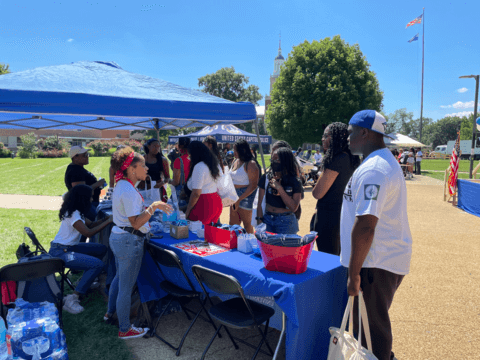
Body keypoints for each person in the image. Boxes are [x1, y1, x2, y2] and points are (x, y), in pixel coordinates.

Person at [341, 110, 412, 360]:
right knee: (366, 329)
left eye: (351, 132)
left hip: (375, 262)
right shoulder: (376, 162)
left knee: (373, 331)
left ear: (364, 132)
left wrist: (353, 273)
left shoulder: (376, 169)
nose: (347, 138)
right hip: (374, 260)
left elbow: (366, 226)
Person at [105, 146, 173, 340]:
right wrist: (153, 206)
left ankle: (110, 313)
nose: (147, 169)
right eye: (143, 166)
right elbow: (136, 223)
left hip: (119, 237)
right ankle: (125, 329)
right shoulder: (127, 190)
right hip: (128, 240)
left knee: (119, 279)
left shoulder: (122, 185)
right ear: (132, 169)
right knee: (126, 287)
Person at [49, 184, 113, 314]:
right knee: (97, 265)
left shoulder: (77, 211)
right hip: (61, 252)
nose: (91, 200)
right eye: (89, 197)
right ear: (82, 198)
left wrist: (105, 219)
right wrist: (108, 222)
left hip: (69, 248)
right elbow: (88, 233)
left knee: (100, 249)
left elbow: (91, 224)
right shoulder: (73, 214)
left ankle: (85, 281)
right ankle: (72, 298)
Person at [312, 122, 360, 255]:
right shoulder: (351, 158)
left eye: (326, 135)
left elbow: (317, 193)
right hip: (343, 214)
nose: (323, 139)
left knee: (329, 259)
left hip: (330, 217)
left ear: (337, 137)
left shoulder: (338, 159)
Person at [256, 147, 302, 234]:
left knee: (285, 247)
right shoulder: (266, 178)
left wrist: (280, 189)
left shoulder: (295, 181)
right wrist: (259, 221)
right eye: (272, 159)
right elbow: (259, 203)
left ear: (285, 161)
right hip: (267, 220)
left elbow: (293, 207)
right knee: (266, 247)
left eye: (277, 159)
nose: (273, 162)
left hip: (286, 222)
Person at [65, 146, 106, 239]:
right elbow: (80, 191)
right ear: (75, 157)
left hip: (88, 205)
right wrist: (97, 184)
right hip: (86, 206)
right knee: (82, 236)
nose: (87, 157)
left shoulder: (77, 168)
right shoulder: (76, 171)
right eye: (84, 155)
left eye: (87, 154)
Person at [184, 141, 223, 224]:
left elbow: (196, 193)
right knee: (208, 232)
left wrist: (188, 209)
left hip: (204, 204)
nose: (189, 157)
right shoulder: (214, 164)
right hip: (215, 201)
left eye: (190, 155)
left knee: (197, 232)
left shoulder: (199, 166)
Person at [229, 139, 260, 234]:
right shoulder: (235, 161)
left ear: (243, 150)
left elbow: (253, 186)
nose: (234, 153)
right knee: (233, 225)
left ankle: (250, 246)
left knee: (247, 226)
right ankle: (235, 246)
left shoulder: (251, 164)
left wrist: (239, 199)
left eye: (236, 150)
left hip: (247, 196)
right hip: (234, 195)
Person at [171, 137, 191, 204]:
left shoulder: (178, 161)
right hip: (193, 191)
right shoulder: (193, 159)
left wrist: (168, 181)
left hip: (183, 192)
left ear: (179, 146)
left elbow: (176, 182)